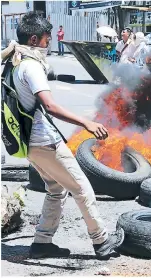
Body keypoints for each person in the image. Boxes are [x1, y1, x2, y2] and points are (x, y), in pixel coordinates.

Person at [5, 11, 123, 259]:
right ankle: (101, 241)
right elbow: (50, 106)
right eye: (48, 39)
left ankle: (42, 242)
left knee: (56, 189)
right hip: (45, 142)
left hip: (30, 144)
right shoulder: (31, 66)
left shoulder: (14, 62)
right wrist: (86, 122)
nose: (50, 44)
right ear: (35, 39)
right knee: (81, 188)